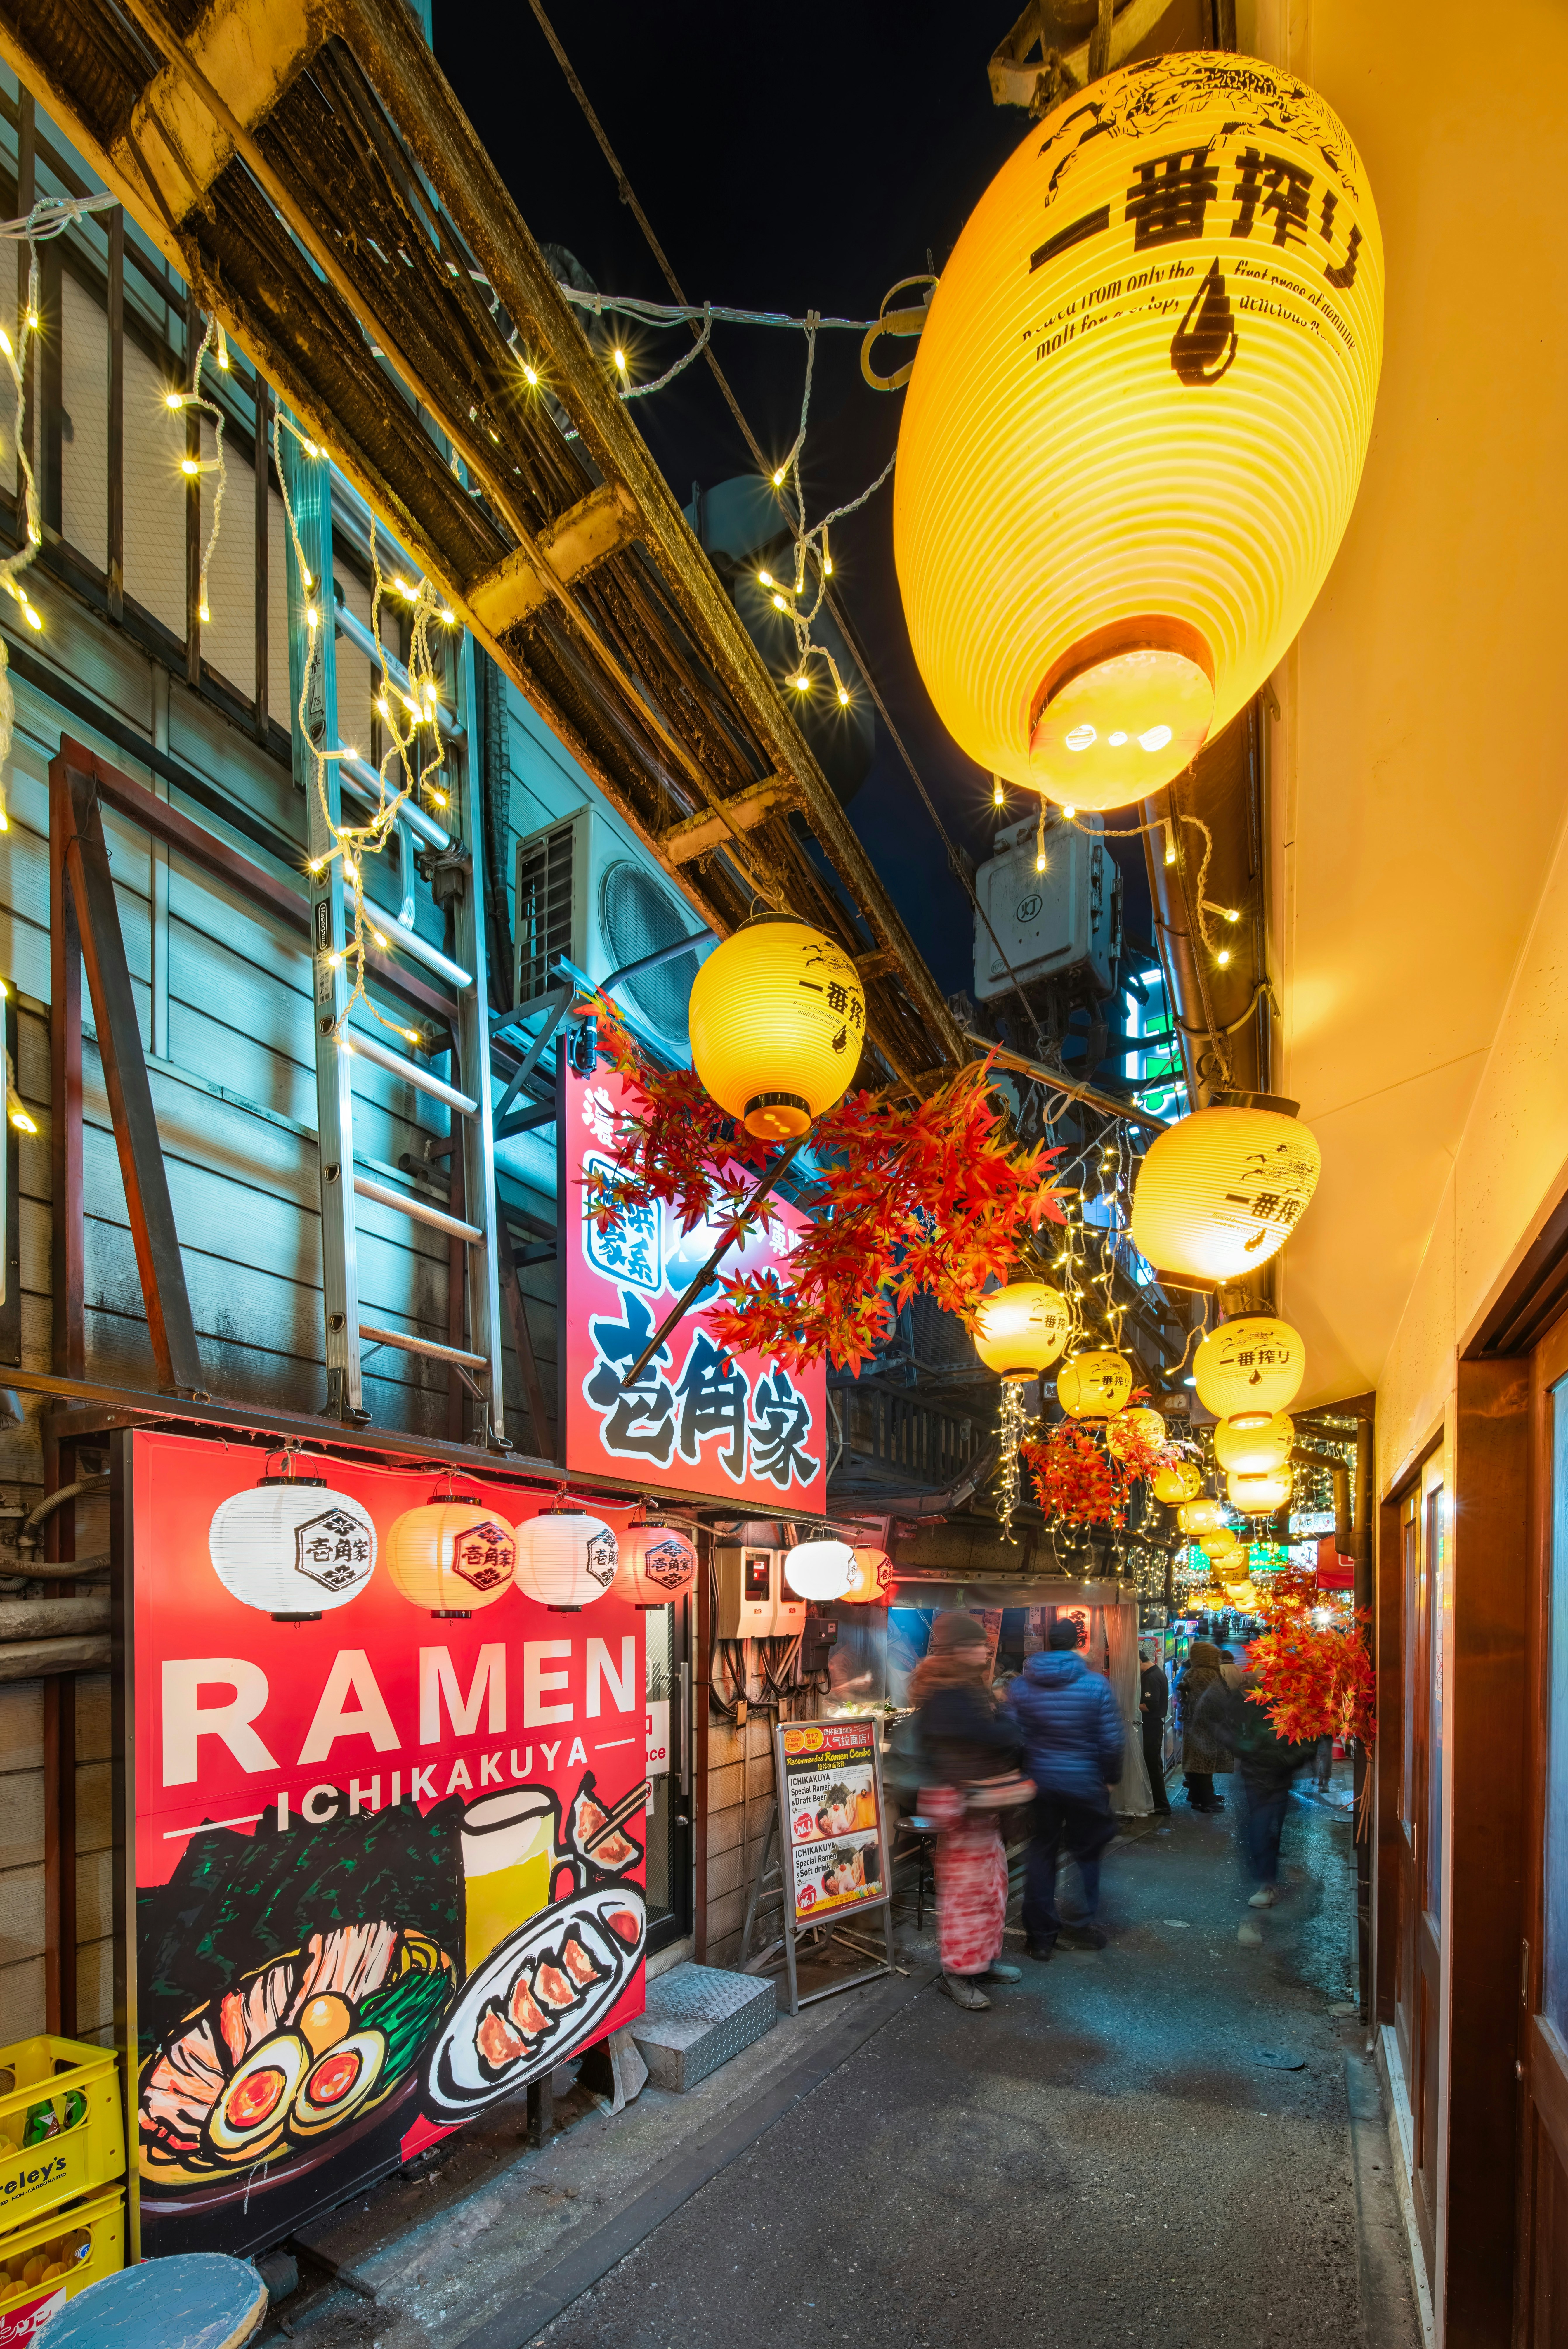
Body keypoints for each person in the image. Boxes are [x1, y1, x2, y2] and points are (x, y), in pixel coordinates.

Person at [910, 1610, 1033, 2011]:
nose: (986, 1649)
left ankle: (980, 1961)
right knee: (967, 1894)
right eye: (980, 1643)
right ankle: (957, 1974)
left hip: (976, 1801)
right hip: (961, 1801)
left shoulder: (961, 1685)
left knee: (991, 1886)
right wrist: (1011, 1724)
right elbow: (985, 1735)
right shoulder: (948, 1693)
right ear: (962, 1648)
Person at [1008, 1617, 1125, 1960]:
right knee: (1086, 1854)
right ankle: (1078, 1926)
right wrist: (1110, 1777)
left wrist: (1023, 1771)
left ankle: (1040, 1938)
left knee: (1041, 1853)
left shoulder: (1021, 1686)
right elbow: (1112, 1740)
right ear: (1078, 1642)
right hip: (1085, 1784)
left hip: (1040, 1784)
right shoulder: (1095, 1685)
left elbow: (1012, 1737)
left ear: (1048, 1641)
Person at [1194, 1664, 1309, 1943]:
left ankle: (1266, 1881)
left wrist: (1283, 1760)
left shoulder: (1296, 1700)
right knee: (1257, 1828)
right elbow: (1229, 1731)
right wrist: (1241, 1747)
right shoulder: (1244, 1699)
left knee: (1266, 1828)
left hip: (1276, 1776)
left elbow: (1309, 1740)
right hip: (1255, 1776)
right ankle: (1265, 1880)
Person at [1175, 1638, 1231, 1812]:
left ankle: (1196, 1796)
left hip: (1194, 1725)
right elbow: (1218, 1700)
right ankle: (1207, 1801)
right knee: (1205, 1764)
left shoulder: (1192, 1672)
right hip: (1207, 1726)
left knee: (1196, 1763)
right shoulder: (1209, 1674)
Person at [1139, 1646, 1171, 1817]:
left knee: (1152, 1764)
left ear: (1139, 1662)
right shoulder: (1155, 1672)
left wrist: (1127, 1705)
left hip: (1151, 1726)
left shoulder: (1151, 1677)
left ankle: (1161, 1804)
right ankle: (1157, 1803)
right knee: (1153, 1764)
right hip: (1153, 1726)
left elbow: (1150, 1706)